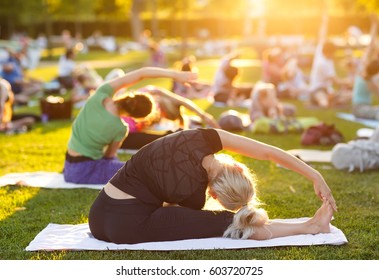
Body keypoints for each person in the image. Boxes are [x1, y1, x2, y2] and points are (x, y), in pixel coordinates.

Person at [89, 128, 337, 244]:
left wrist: (315, 175)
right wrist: (314, 174)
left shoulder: (204, 136)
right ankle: (311, 226)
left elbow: (267, 152)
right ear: (214, 194)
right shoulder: (193, 196)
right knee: (232, 224)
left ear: (238, 168)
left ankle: (312, 225)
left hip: (98, 216)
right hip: (127, 227)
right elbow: (172, 209)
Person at [63, 67, 197, 185]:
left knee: (128, 166)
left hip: (68, 164)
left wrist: (175, 75)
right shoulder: (120, 129)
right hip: (84, 171)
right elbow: (109, 156)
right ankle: (185, 177)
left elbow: (142, 73)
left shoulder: (101, 93)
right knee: (139, 170)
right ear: (134, 116)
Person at [120, 84, 220, 150]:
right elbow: (183, 101)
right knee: (166, 139)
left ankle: (183, 137)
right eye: (166, 114)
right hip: (121, 135)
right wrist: (203, 115)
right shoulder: (150, 94)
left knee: (167, 138)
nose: (163, 116)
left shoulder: (153, 114)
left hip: (126, 135)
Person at [308, 13, 350, 108]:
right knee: (324, 103)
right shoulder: (322, 63)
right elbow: (336, 81)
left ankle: (332, 99)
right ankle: (329, 101)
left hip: (327, 90)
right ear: (329, 52)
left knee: (349, 96)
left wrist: (325, 22)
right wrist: (349, 82)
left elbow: (322, 37)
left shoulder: (321, 52)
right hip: (317, 90)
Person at [352, 14, 379, 120]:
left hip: (361, 108)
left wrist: (374, 26)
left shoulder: (362, 69)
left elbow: (370, 46)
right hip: (359, 109)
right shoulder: (370, 82)